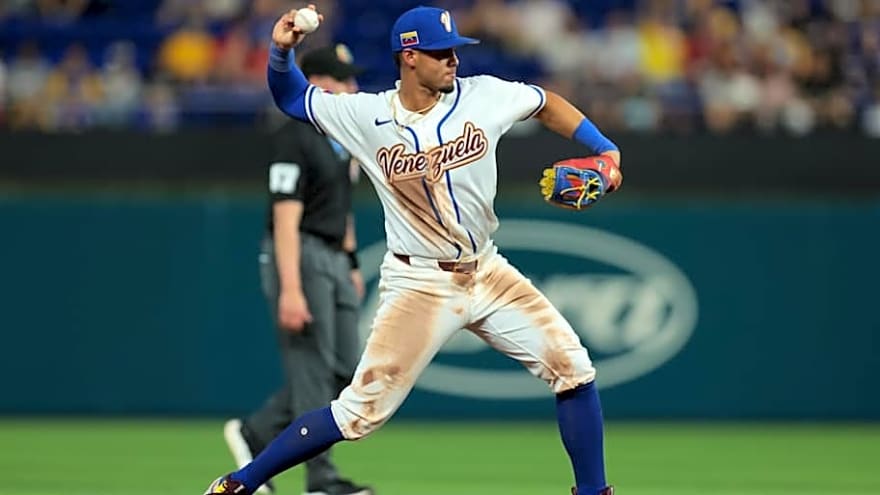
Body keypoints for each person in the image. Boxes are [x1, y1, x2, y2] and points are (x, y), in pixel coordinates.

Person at [205, 4, 622, 495]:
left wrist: (605, 150)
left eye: (455, 51)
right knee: (358, 413)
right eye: (440, 52)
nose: (453, 60)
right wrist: (281, 50)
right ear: (409, 56)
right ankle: (239, 484)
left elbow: (546, 103)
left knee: (573, 369)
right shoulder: (368, 114)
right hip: (420, 281)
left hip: (485, 270)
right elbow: (292, 97)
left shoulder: (485, 95)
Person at [221, 44, 372, 495]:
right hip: (299, 252)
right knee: (311, 372)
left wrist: (349, 259)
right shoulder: (294, 136)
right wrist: (291, 288)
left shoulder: (342, 138)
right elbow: (286, 216)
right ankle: (320, 480)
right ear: (319, 84)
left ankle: (257, 431)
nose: (353, 87)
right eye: (343, 79)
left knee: (346, 371)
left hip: (331, 255)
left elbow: (342, 209)